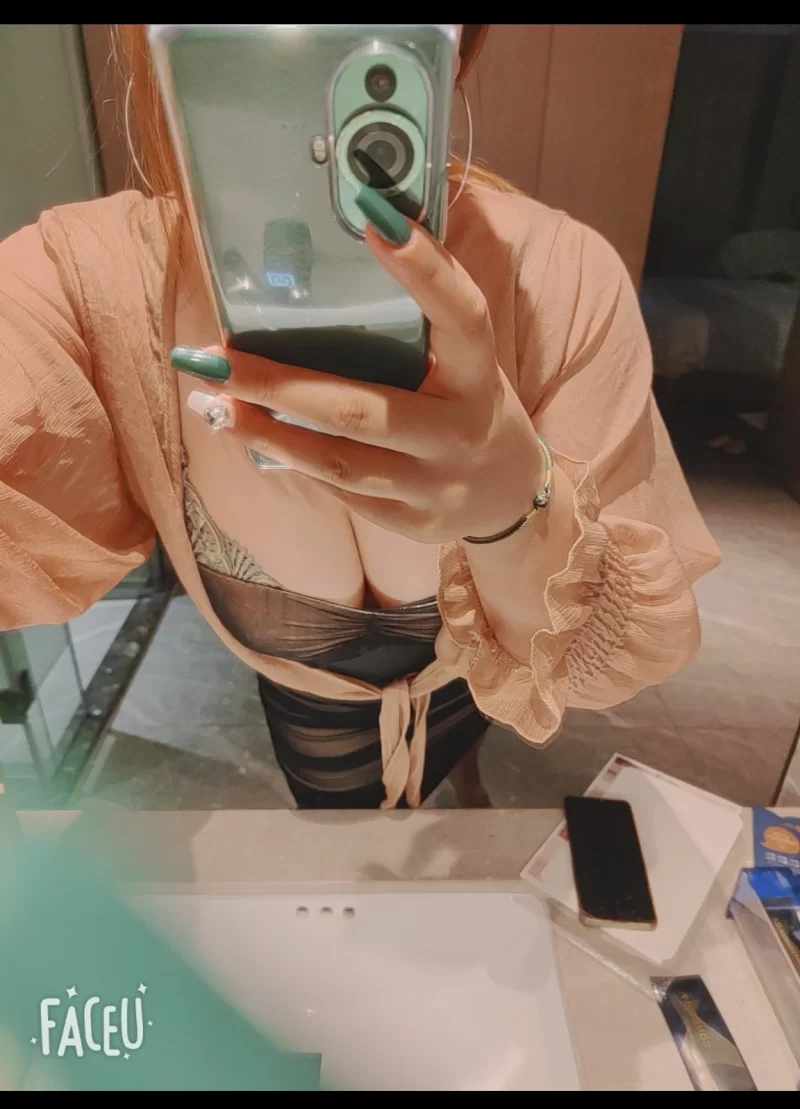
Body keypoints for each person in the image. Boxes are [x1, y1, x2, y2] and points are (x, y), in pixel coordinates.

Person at [0, 24, 720, 811]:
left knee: (474, 723)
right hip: (307, 719)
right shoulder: (90, 285)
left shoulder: (562, 280)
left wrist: (521, 510)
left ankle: (464, 772)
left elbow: (597, 665)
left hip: (460, 692)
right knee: (331, 813)